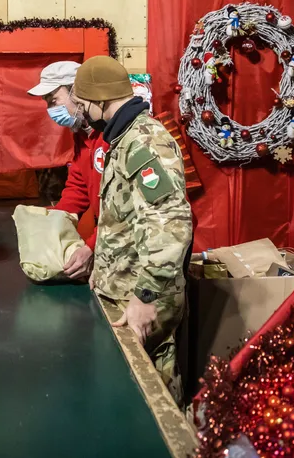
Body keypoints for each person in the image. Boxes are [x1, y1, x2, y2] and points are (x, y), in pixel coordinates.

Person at [70, 55, 193, 402]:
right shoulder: (123, 137)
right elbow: (125, 218)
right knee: (130, 393)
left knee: (154, 394)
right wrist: (105, 268)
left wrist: (146, 295)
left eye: (82, 103)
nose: (82, 111)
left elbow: (170, 224)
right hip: (125, 287)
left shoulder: (144, 142)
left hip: (143, 295)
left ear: (100, 100)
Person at [27, 61, 107, 281]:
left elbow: (128, 209)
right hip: (109, 241)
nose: (51, 110)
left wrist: (91, 246)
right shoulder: (82, 135)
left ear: (77, 92)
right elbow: (79, 185)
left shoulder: (115, 135)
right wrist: (53, 222)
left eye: (54, 101)